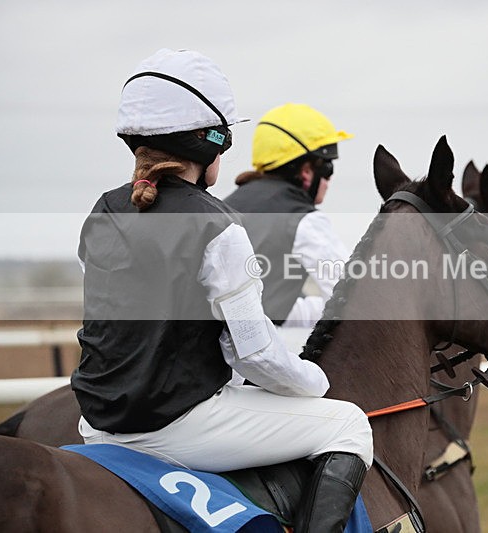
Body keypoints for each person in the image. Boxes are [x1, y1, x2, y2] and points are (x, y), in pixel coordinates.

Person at [70, 48, 372, 533]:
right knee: (349, 423)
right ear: (211, 144)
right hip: (176, 427)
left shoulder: (102, 210)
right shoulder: (216, 225)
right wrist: (315, 383)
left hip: (96, 424)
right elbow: (252, 353)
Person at [224, 103, 351, 327]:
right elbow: (353, 296)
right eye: (328, 168)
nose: (329, 180)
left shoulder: (227, 205)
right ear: (306, 170)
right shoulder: (303, 220)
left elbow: (265, 305)